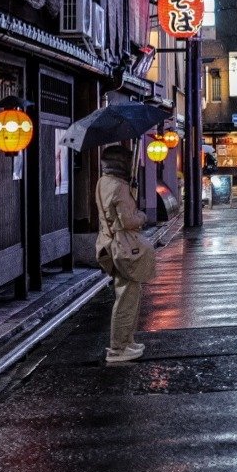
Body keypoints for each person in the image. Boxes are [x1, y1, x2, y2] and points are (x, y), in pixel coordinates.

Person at [95, 145, 148, 363]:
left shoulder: (103, 182)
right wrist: (141, 215)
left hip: (108, 243)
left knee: (125, 293)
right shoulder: (119, 187)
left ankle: (127, 340)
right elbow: (128, 221)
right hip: (124, 246)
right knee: (127, 296)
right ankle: (118, 347)